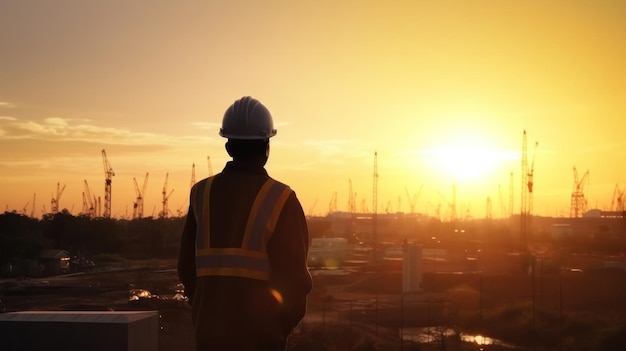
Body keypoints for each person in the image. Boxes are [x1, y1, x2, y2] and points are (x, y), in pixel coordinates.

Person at [177, 96, 312, 350]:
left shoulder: (201, 193)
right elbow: (295, 281)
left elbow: (186, 267)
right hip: (261, 340)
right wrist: (276, 329)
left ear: (228, 147)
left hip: (209, 337)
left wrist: (207, 314)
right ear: (266, 147)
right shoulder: (282, 198)